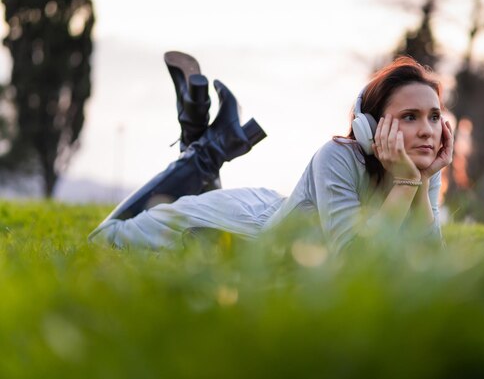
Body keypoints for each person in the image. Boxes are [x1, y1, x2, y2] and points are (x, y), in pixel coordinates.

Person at [89, 55, 454, 253]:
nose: (427, 130)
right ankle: (208, 150)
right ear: (370, 127)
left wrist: (419, 180)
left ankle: (202, 132)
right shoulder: (338, 158)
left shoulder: (420, 165)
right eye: (410, 117)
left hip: (274, 209)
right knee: (107, 235)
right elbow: (356, 261)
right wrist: (407, 182)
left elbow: (428, 258)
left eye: (434, 117)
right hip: (239, 227)